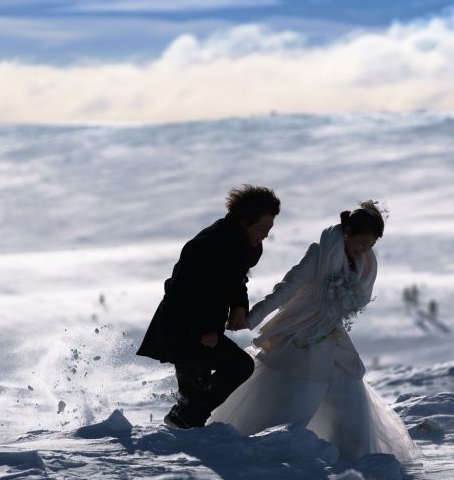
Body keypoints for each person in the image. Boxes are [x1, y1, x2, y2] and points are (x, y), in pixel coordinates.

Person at [209, 201, 420, 462]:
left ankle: (353, 453)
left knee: (349, 392)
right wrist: (252, 317)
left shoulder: (365, 264)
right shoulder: (320, 254)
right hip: (300, 333)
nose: (364, 249)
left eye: (371, 245)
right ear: (347, 233)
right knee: (296, 393)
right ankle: (272, 448)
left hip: (332, 335)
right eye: (361, 242)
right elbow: (287, 288)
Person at [137, 185, 280, 429]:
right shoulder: (207, 244)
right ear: (244, 221)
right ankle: (182, 419)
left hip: (200, 332)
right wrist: (206, 330)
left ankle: (186, 428)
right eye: (262, 228)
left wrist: (239, 306)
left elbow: (237, 280)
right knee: (238, 367)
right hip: (182, 329)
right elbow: (179, 291)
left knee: (194, 401)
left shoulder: (240, 244)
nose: (265, 235)